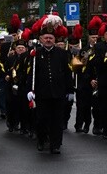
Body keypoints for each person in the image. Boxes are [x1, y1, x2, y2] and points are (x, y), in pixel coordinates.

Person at [28, 23, 74, 154]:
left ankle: (56, 144)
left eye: (51, 38)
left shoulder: (62, 54)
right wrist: (30, 91)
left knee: (57, 120)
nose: (48, 40)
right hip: (42, 93)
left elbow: (67, 72)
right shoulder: (35, 53)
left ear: (54, 39)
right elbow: (31, 73)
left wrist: (70, 90)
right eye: (46, 37)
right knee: (41, 119)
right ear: (41, 39)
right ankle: (41, 140)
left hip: (58, 93)